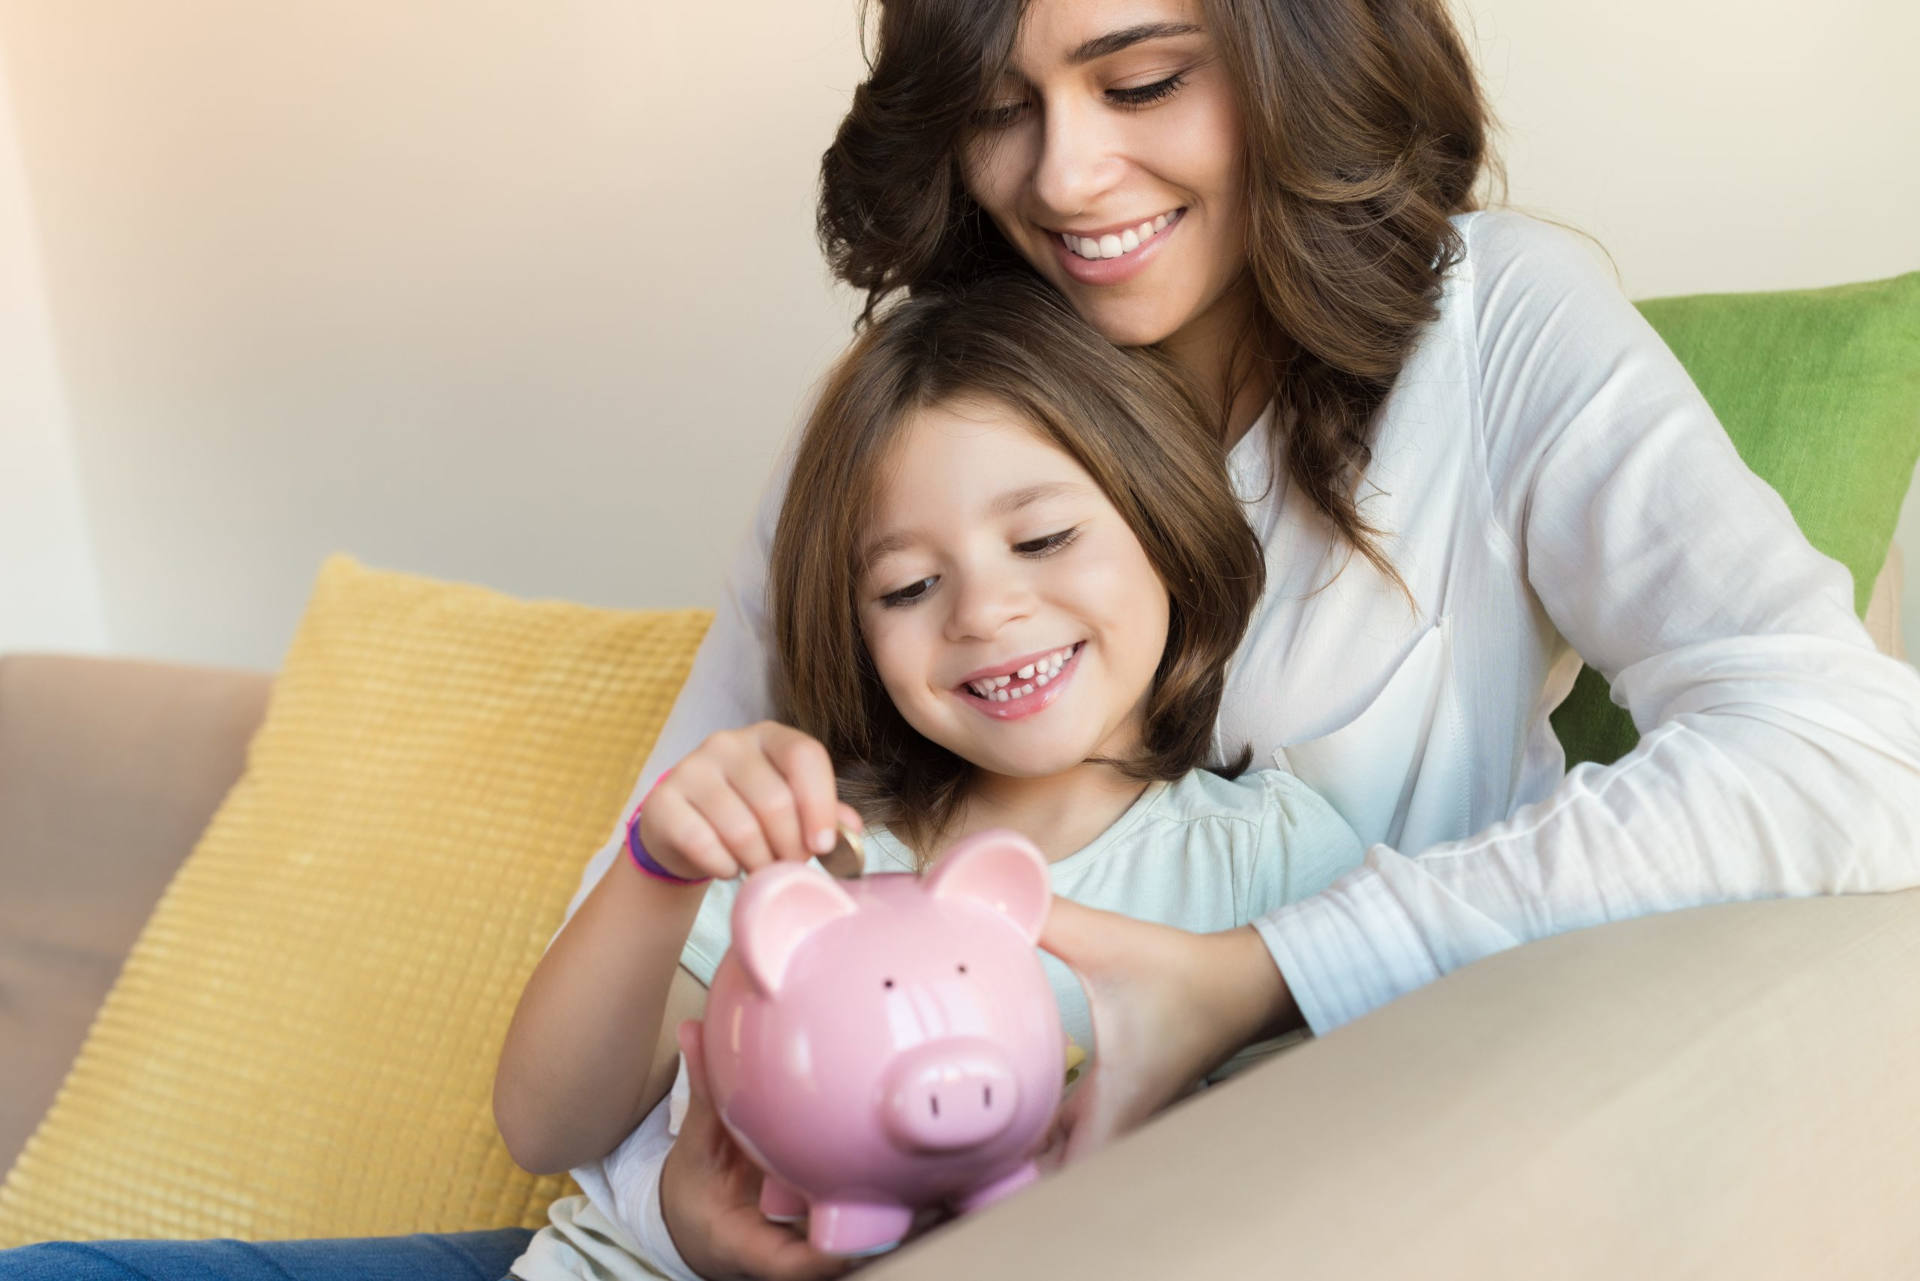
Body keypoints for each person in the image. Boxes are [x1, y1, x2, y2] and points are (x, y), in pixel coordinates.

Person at [9, 0, 1917, 1277]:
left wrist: (1264, 967)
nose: (1066, 178)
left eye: (1142, 76)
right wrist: (699, 1164)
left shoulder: (1496, 339)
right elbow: (661, 933)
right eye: (1000, 103)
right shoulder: (912, 406)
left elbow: (1851, 757)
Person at [496, 271, 1366, 1279]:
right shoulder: (814, 841)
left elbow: (1313, 1190)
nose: (984, 612)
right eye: (909, 586)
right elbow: (545, 1127)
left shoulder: (1266, 862)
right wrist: (658, 865)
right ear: (858, 631)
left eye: (1043, 539)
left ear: (1167, 523)